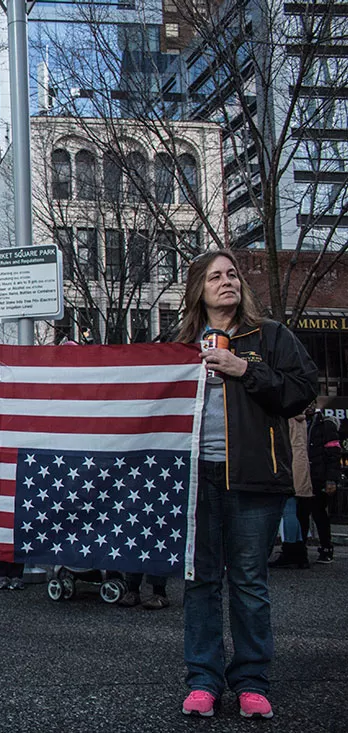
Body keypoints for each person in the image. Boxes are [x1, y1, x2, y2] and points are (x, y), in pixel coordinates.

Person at [176, 250, 317, 719]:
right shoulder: (176, 342)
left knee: (250, 583)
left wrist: (245, 370)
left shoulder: (271, 336)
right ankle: (203, 680)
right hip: (196, 477)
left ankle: (252, 680)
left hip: (256, 478)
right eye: (215, 276)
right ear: (199, 288)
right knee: (200, 582)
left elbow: (303, 389)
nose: (227, 282)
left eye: (232, 274)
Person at [270, 413, 313, 569]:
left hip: (289, 463)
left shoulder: (287, 418)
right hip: (301, 464)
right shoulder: (301, 419)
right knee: (295, 510)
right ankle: (299, 551)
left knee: (289, 509)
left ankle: (290, 549)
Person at [302, 403, 340, 564]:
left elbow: (333, 453)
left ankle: (326, 548)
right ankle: (300, 548)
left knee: (319, 513)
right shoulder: (300, 422)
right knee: (302, 513)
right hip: (304, 474)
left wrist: (331, 479)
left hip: (318, 475)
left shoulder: (325, 424)